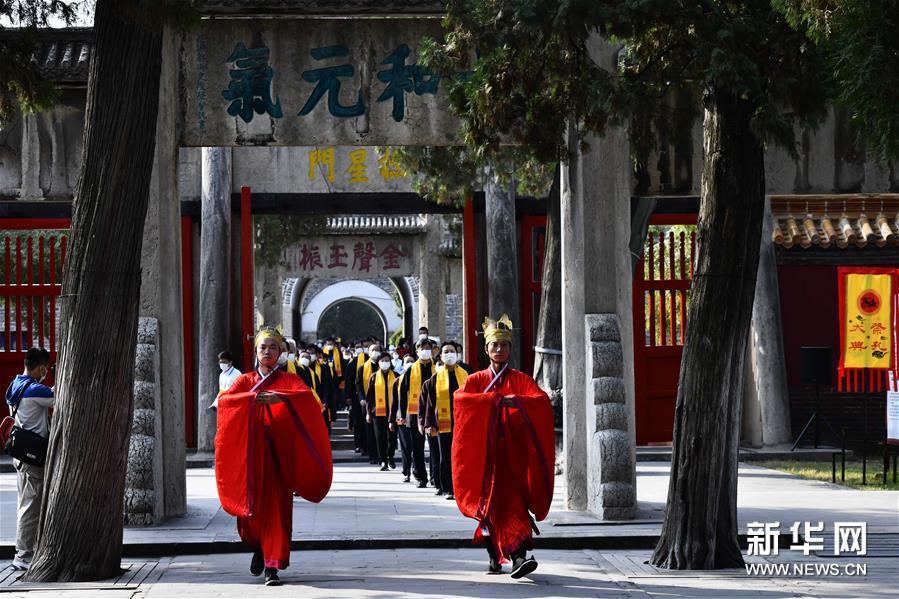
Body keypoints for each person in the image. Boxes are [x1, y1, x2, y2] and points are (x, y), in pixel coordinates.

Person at [215, 328, 333, 586]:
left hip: (279, 457)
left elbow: (307, 401)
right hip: (252, 457)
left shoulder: (289, 382)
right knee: (252, 511)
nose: (267, 352)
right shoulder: (245, 381)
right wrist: (252, 399)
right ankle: (258, 546)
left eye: (272, 348)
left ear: (280, 353)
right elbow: (226, 403)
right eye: (262, 347)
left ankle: (273, 565)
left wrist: (282, 398)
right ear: (256, 352)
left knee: (277, 510)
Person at [452, 315, 554, 579]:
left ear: (510, 349)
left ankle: (519, 557)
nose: (499, 349)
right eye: (494, 345)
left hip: (511, 459)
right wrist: (493, 401)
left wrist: (515, 402)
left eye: (503, 345)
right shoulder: (475, 380)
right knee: (487, 508)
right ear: (486, 349)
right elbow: (461, 401)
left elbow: (539, 401)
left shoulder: (520, 380)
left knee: (513, 507)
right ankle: (494, 557)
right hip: (485, 457)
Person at [4, 347, 54, 571]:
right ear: (42, 367)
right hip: (33, 457)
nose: (46, 373)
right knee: (30, 506)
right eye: (46, 368)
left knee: (26, 502)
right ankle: (22, 556)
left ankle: (27, 552)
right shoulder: (35, 389)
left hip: (21, 453)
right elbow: (58, 397)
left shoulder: (15, 385)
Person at [421, 342, 471, 501]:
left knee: (463, 457)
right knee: (445, 457)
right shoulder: (434, 379)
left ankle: (463, 488)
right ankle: (447, 488)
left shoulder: (467, 374)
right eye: (446, 352)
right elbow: (430, 403)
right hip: (443, 424)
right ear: (441, 356)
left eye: (452, 351)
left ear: (457, 354)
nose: (449, 354)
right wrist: (429, 424)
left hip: (463, 424)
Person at [397, 338, 434, 488]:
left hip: (434, 413)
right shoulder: (410, 370)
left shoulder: (437, 368)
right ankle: (421, 477)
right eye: (421, 348)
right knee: (417, 448)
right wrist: (402, 415)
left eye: (427, 347)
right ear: (417, 351)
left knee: (434, 448)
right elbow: (402, 393)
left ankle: (435, 477)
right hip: (414, 413)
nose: (425, 350)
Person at [365, 353, 397, 471]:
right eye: (382, 360)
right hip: (377, 412)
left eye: (387, 360)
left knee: (392, 437)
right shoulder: (373, 377)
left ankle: (391, 456)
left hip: (392, 412)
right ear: (378, 363)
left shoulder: (396, 376)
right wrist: (368, 412)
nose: (385, 362)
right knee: (380, 437)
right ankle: (383, 460)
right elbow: (369, 397)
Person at [389, 355, 417, 482]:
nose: (410, 364)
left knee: (416, 446)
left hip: (416, 417)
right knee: (405, 447)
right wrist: (391, 420)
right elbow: (394, 403)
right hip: (402, 418)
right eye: (407, 362)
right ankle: (406, 472)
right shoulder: (397, 381)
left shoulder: (419, 380)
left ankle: (417, 471)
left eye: (412, 361)